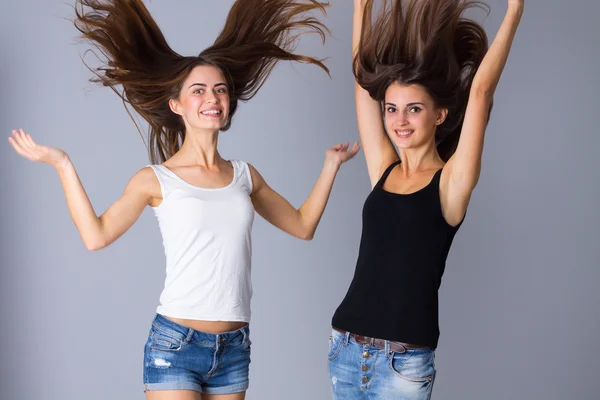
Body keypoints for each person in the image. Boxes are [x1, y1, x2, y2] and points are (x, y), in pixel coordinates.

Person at [8, 0, 359, 398]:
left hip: (234, 347)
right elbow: (96, 235)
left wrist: (331, 166)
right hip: (175, 344)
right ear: (177, 106)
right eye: (199, 90)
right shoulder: (155, 180)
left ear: (228, 106)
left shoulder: (244, 175)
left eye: (220, 90)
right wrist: (63, 164)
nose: (212, 97)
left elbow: (302, 225)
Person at [327, 0, 523, 398]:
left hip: (403, 363)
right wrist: (360, 11)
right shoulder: (383, 168)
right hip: (345, 349)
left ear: (440, 115)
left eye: (414, 109)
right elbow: (364, 91)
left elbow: (481, 92)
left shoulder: (451, 182)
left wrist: (515, 10)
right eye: (393, 109)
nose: (399, 120)